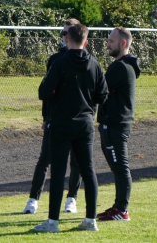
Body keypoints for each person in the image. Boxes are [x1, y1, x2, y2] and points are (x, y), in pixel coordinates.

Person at [34, 24, 108, 232]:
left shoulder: (60, 63)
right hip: (85, 123)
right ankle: (90, 219)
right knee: (88, 169)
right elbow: (102, 95)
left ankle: (53, 222)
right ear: (86, 41)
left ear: (67, 39)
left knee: (58, 171)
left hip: (61, 123)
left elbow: (44, 91)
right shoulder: (94, 63)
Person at [23, 19, 82, 215]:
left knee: (76, 161)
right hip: (55, 119)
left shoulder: (86, 59)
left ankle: (72, 198)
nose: (64, 37)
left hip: (78, 120)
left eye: (68, 33)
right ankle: (33, 199)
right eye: (62, 33)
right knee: (45, 158)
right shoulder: (55, 59)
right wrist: (45, 118)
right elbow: (46, 92)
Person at [97, 27, 141, 221]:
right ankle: (118, 206)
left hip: (116, 125)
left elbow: (100, 90)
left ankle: (122, 210)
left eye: (111, 41)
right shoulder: (124, 66)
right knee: (117, 167)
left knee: (121, 167)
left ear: (123, 43)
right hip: (114, 124)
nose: (108, 43)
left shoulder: (121, 67)